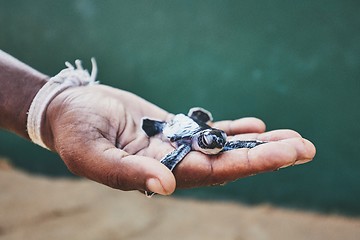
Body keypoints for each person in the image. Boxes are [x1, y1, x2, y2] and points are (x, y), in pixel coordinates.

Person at [0, 50, 316, 196]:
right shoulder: (183, 143)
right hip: (177, 130)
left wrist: (46, 102)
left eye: (215, 139)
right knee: (168, 135)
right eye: (213, 141)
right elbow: (180, 146)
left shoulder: (212, 138)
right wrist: (52, 107)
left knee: (238, 140)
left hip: (189, 128)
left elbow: (220, 140)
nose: (218, 144)